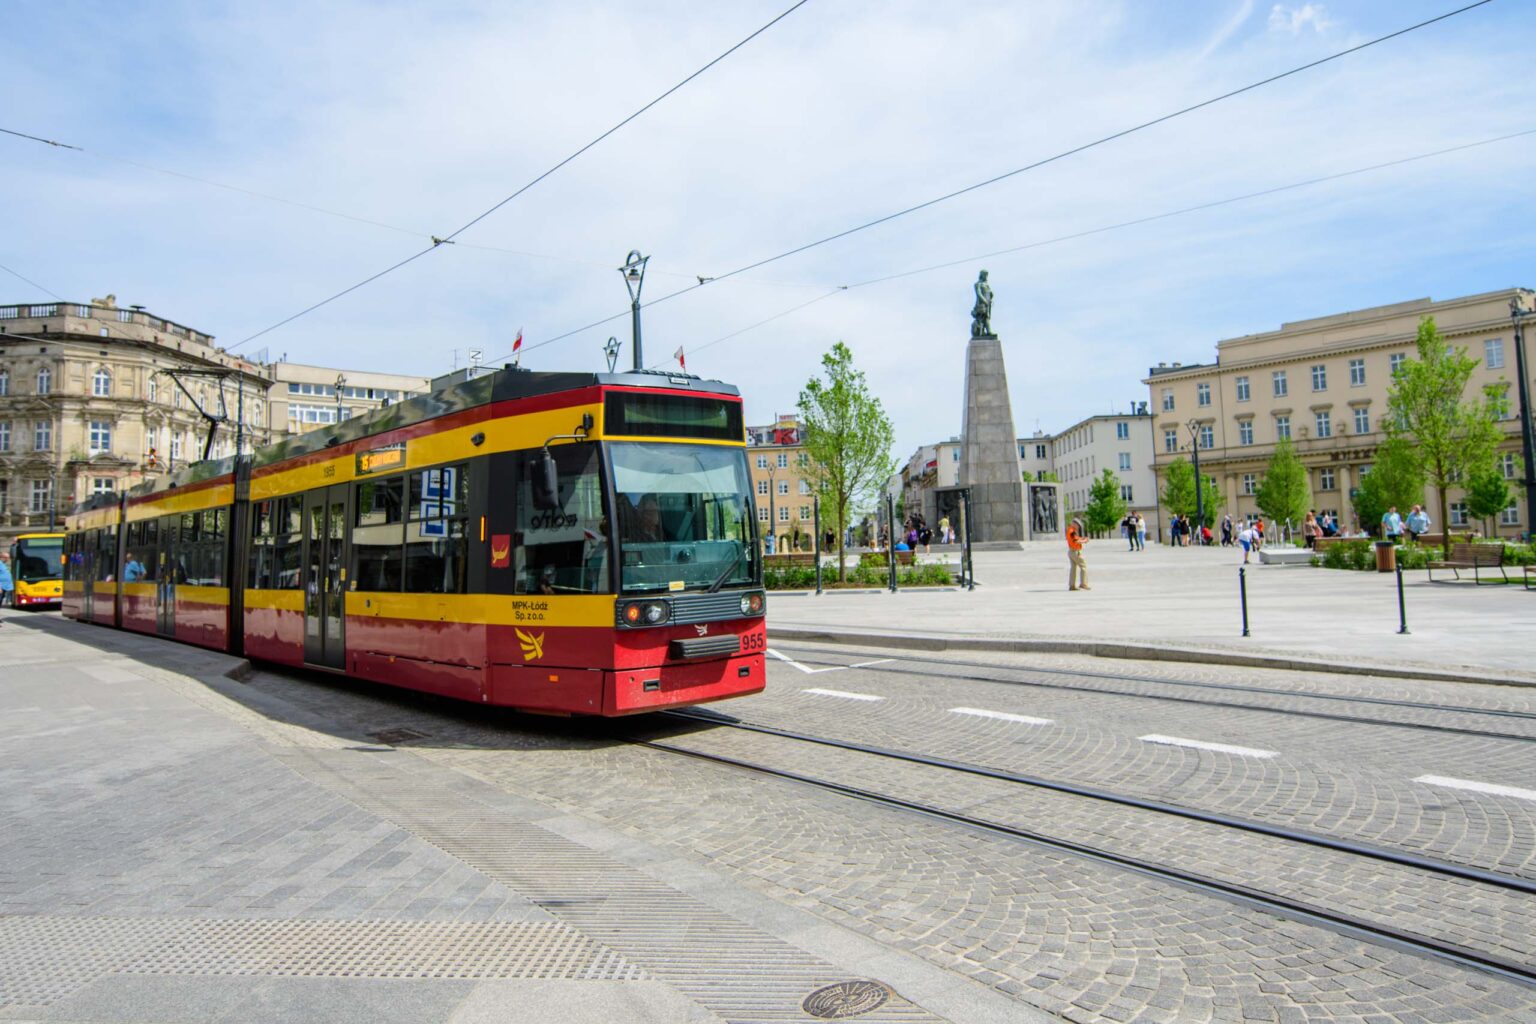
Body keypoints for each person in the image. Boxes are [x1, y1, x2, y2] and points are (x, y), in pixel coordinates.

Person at [1066, 517, 1089, 591]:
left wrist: (1082, 539)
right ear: (1074, 524)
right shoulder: (1072, 531)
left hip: (1071, 551)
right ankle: (1083, 583)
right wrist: (1084, 540)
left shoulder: (1071, 530)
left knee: (1073, 568)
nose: (1078, 527)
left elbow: (1076, 538)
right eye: (1078, 525)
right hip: (1075, 551)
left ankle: (1072, 585)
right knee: (1083, 566)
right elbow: (1076, 540)